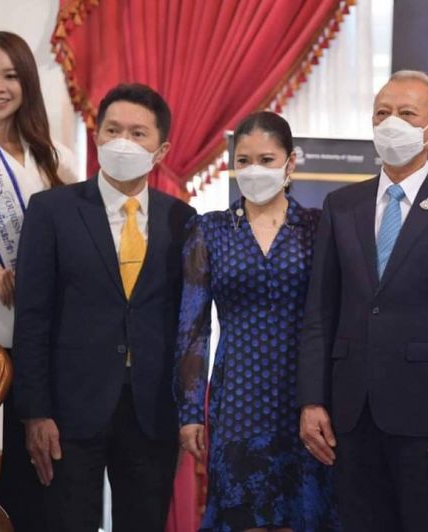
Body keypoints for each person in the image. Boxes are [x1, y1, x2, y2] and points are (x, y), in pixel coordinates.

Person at [297, 70, 428, 532]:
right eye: (382, 113)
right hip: (349, 413)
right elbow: (320, 311)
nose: (391, 123)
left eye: (407, 114)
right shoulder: (341, 205)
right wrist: (312, 400)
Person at [13, 83, 195, 531]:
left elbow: (188, 322)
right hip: (69, 411)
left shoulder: (183, 219)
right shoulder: (52, 210)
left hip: (152, 409)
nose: (122, 142)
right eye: (112, 130)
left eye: (138, 133)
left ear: (161, 149)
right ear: (96, 137)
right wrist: (35, 411)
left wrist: (189, 408)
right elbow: (32, 317)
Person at [175, 111, 338, 532]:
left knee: (302, 514)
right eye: (244, 160)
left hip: (305, 396)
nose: (254, 170)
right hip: (237, 398)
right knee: (244, 516)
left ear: (290, 163)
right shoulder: (210, 229)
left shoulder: (318, 227)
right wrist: (190, 411)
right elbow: (193, 326)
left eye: (266, 160)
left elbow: (335, 315)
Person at [0, 30, 78, 532]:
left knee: (36, 476)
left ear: (27, 81)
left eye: (10, 75)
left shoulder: (55, 158)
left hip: (41, 339)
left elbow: (83, 244)